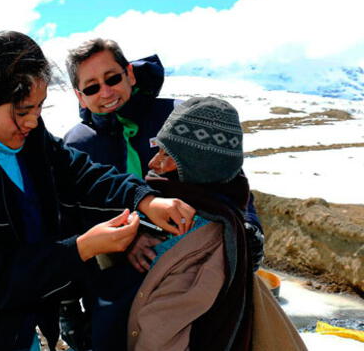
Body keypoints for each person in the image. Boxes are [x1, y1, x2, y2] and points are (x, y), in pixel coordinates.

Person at [0, 31, 196, 350]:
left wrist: (145, 199)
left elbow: (81, 171)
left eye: (39, 108)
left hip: (13, 329)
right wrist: (82, 248)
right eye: (23, 111)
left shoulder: (28, 138)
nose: (33, 122)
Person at [59, 39, 265, 350]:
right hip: (112, 282)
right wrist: (69, 310)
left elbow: (228, 176)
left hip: (192, 274)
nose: (106, 92)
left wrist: (248, 228)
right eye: (91, 87)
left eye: (112, 78)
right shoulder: (76, 145)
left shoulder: (173, 117)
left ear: (129, 73)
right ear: (79, 95)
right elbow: (68, 222)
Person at [123, 96, 305, 350]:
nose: (153, 164)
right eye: (158, 150)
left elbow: (161, 334)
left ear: (198, 168)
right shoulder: (194, 214)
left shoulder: (200, 240)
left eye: (168, 155)